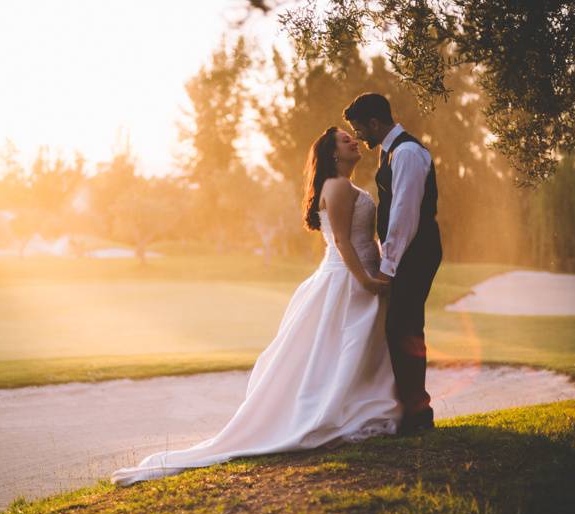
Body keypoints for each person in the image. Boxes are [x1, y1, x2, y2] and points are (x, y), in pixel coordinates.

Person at [110, 126, 402, 487]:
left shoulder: (346, 187)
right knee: (345, 349)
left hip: (354, 275)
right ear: (332, 155)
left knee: (346, 353)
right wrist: (367, 281)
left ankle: (352, 408)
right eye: (345, 140)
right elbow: (342, 241)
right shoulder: (339, 187)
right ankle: (341, 413)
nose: (353, 141)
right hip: (347, 279)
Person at [344, 93, 442, 435]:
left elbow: (404, 213)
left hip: (416, 252)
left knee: (405, 328)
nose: (360, 137)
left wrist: (389, 264)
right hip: (408, 253)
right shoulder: (389, 151)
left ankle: (418, 415)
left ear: (375, 122)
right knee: (399, 328)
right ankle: (409, 411)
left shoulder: (407, 153)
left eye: (361, 130)